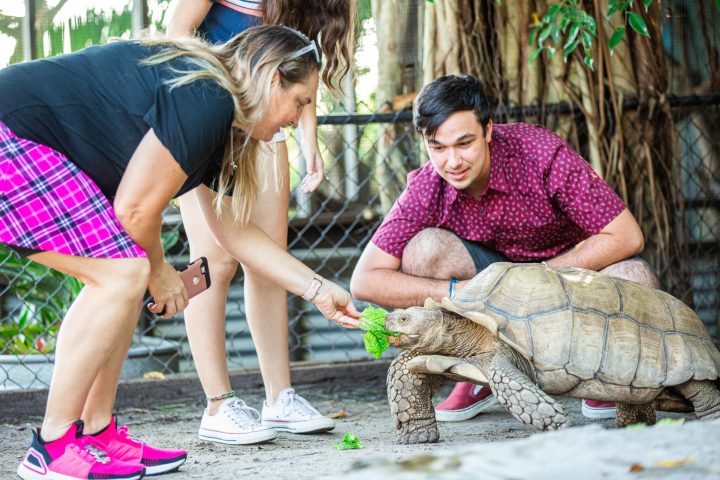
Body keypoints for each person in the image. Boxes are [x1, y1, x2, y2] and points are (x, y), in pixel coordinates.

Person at [2, 25, 359, 480]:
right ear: (273, 80)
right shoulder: (205, 97)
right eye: (302, 101)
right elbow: (134, 210)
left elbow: (233, 231)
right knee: (124, 275)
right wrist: (160, 271)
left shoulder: (216, 112)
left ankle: (95, 434)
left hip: (27, 143)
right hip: (10, 138)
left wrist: (318, 289)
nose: (299, 116)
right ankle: (51, 447)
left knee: (126, 275)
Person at [350, 74, 659, 424]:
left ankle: (609, 379)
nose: (452, 161)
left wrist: (542, 276)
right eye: (438, 147)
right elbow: (364, 281)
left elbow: (626, 236)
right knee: (423, 250)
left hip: (568, 281)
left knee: (635, 275)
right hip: (487, 293)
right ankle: (473, 371)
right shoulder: (427, 184)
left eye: (464, 143)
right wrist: (457, 291)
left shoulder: (541, 153)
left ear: (488, 130)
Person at [165, 0, 355, 443]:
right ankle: (218, 404)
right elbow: (178, 33)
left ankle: (280, 398)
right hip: (209, 119)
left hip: (268, 126)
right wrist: (202, 113)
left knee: (270, 258)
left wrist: (308, 138)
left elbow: (296, 66)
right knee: (214, 262)